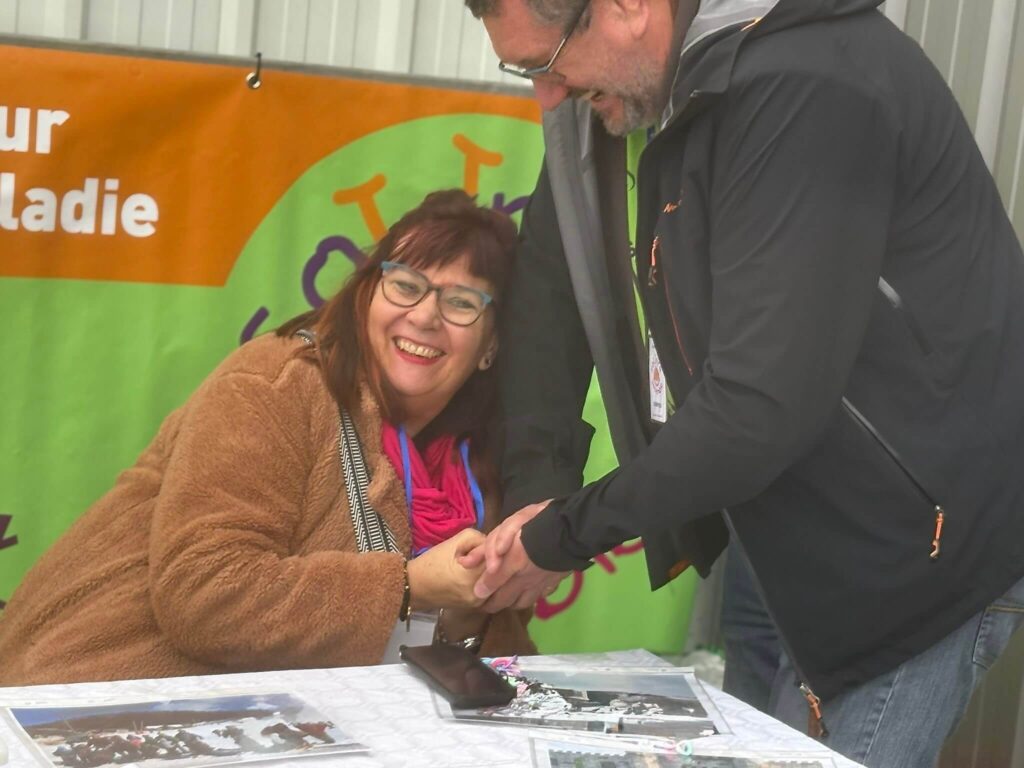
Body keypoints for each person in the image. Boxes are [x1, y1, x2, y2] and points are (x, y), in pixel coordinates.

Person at [461, 1, 1024, 765]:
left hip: (910, 558)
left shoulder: (809, 84)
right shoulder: (621, 90)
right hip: (777, 525)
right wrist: (539, 485)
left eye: (545, 62)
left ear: (627, 7)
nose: (546, 95)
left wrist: (561, 535)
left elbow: (759, 405)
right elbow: (553, 304)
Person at [0, 189, 534, 686]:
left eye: (461, 303)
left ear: (491, 344)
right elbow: (204, 594)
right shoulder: (276, 383)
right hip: (103, 704)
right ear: (367, 295)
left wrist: (479, 605)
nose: (423, 316)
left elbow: (491, 658)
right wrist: (407, 586)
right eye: (406, 286)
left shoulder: (484, 461)